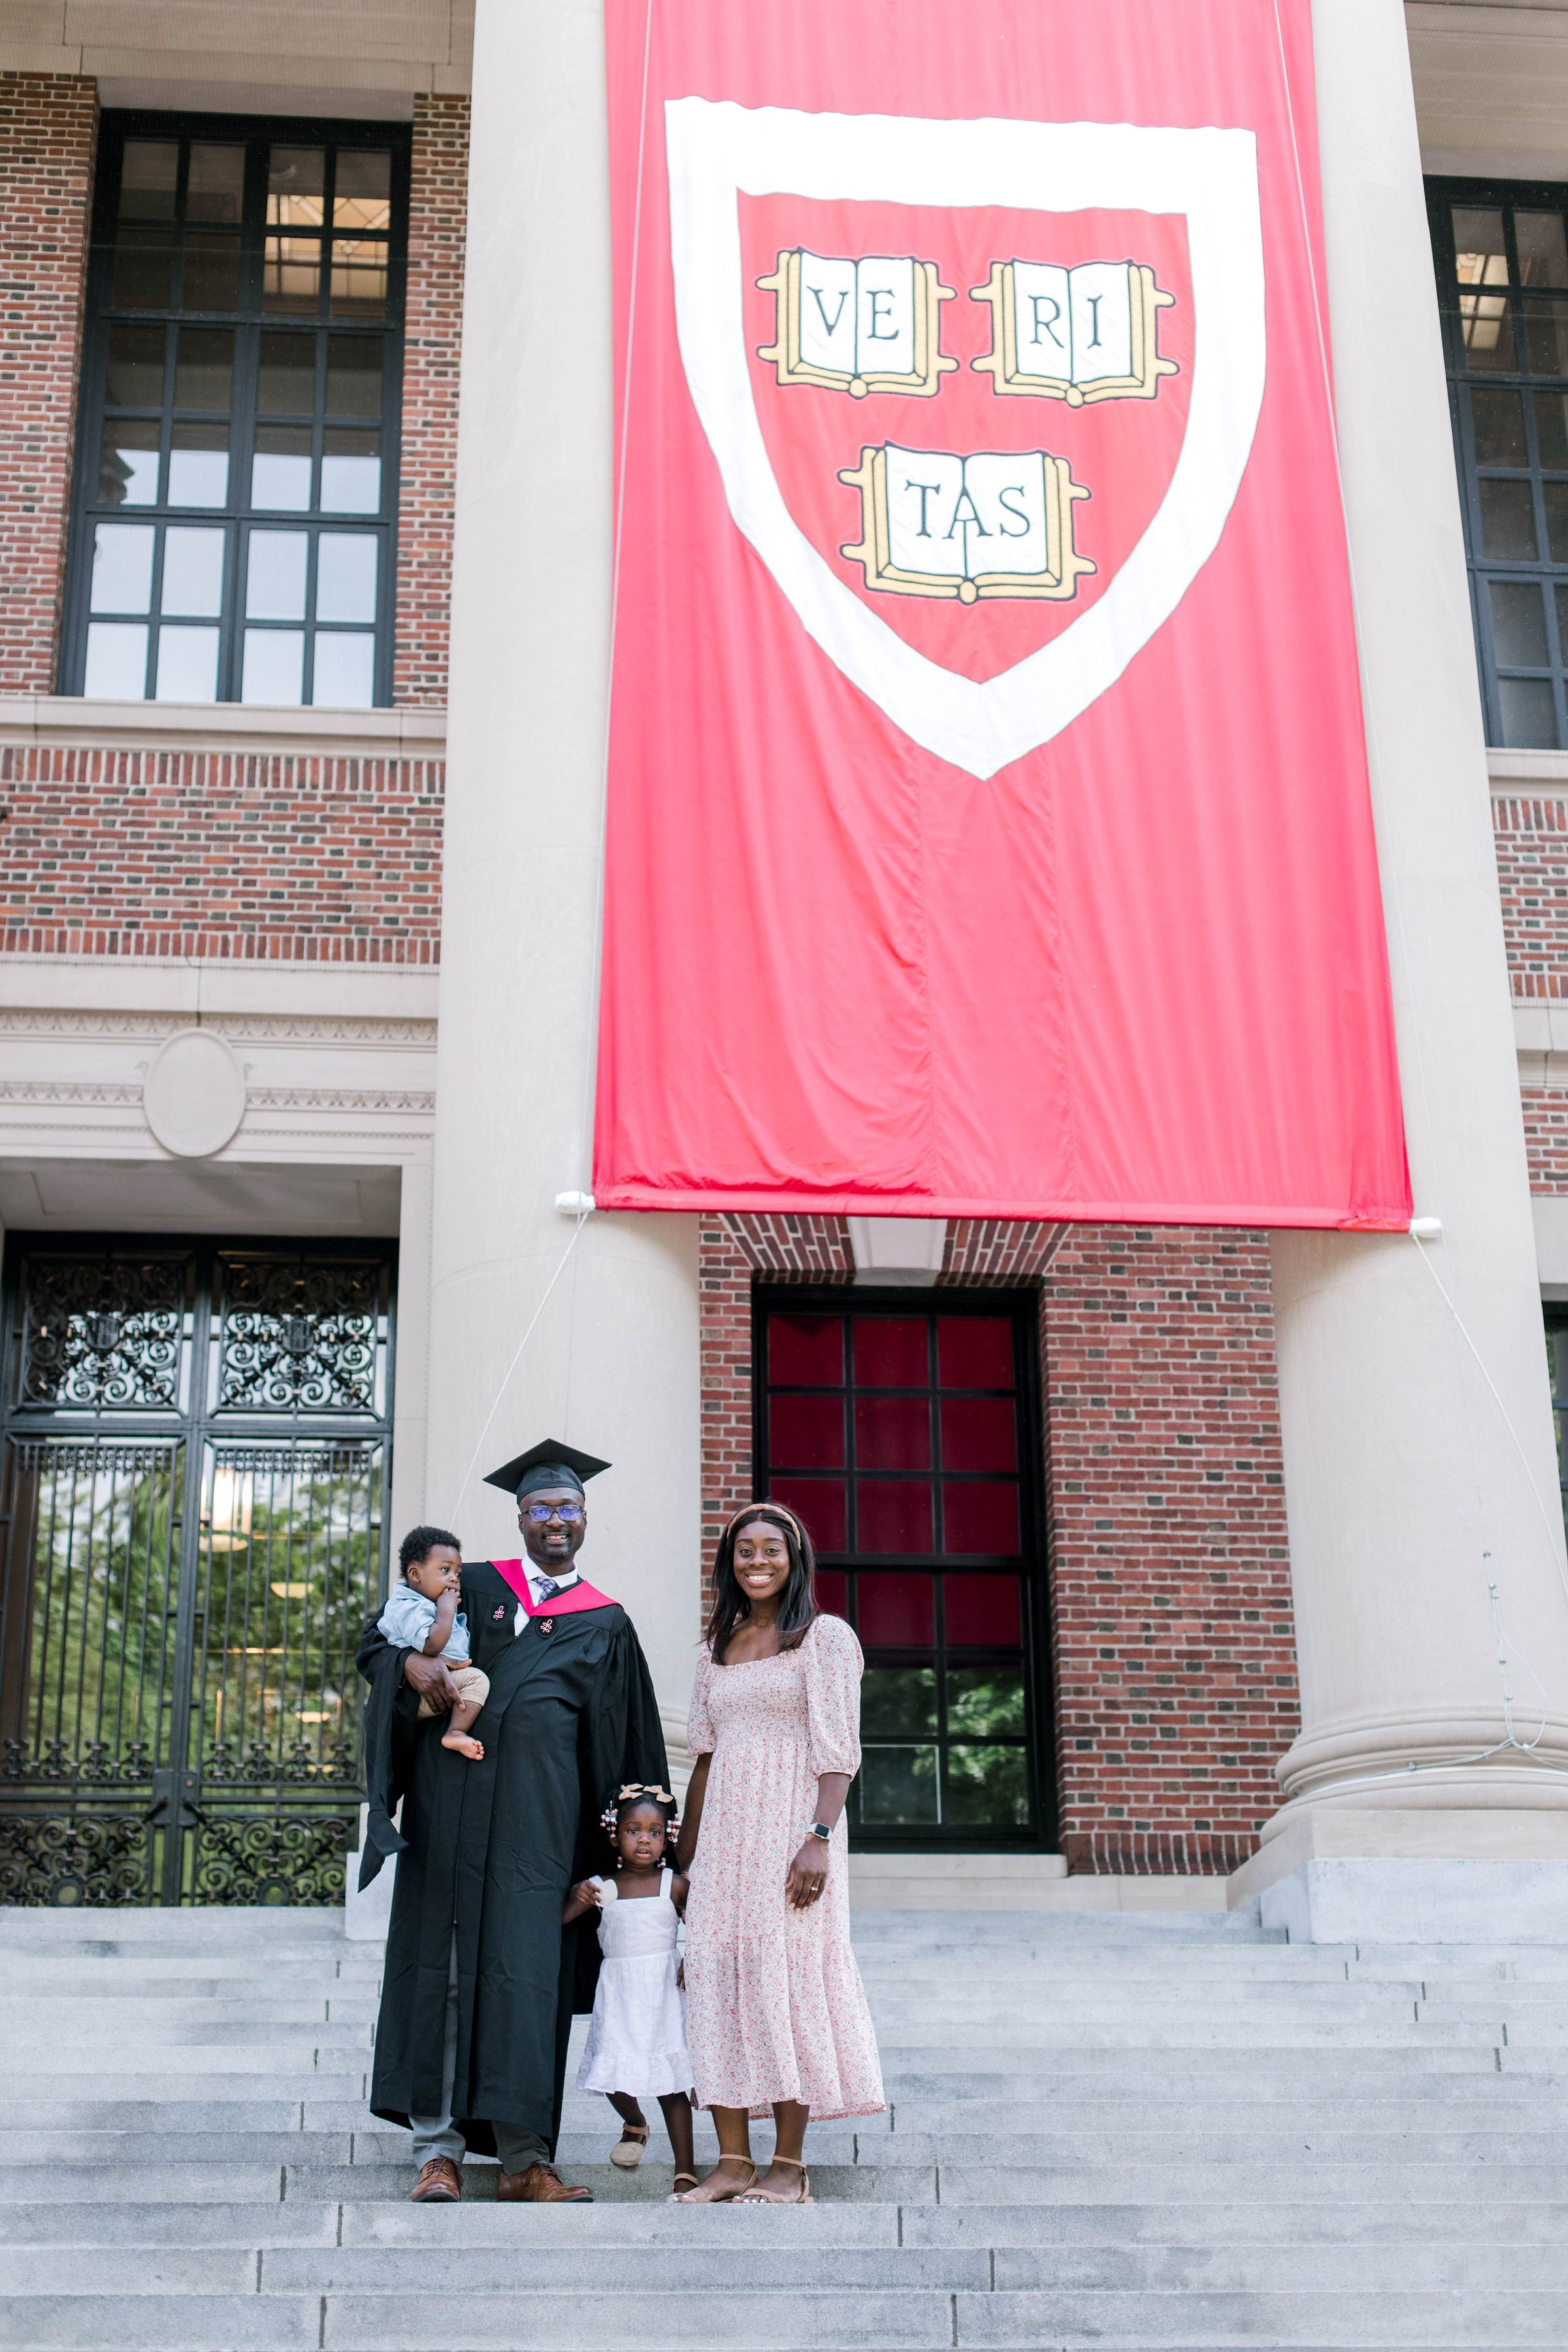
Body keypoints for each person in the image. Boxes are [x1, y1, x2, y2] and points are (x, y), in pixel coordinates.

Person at [357, 1437, 668, 2205]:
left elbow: (628, 1747)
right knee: (448, 1978)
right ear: (520, 1518)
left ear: (585, 1518)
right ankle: (440, 2153)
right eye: (539, 1509)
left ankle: (527, 2160)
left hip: (540, 1835)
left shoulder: (607, 1624)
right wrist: (409, 1665)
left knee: (527, 1984)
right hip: (450, 1822)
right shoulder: (474, 1586)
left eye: (567, 1508)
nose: (554, 1521)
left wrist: (629, 1857)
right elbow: (375, 1640)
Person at [674, 1502, 883, 2204]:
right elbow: (703, 1761)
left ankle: (788, 2168)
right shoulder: (714, 1650)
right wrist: (684, 1860)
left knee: (783, 1981)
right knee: (714, 1978)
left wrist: (818, 1839)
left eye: (772, 1549)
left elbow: (838, 1754)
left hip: (791, 1833)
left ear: (795, 1560)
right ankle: (733, 2163)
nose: (757, 1561)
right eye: (744, 1550)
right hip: (725, 1838)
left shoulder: (823, 1639)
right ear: (728, 1562)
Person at [563, 1784, 697, 2193]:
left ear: (666, 1838)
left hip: (662, 1991)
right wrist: (577, 1894)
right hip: (620, 1989)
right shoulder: (603, 1885)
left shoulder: (674, 1884)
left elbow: (705, 1927)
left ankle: (685, 2168)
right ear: (614, 1835)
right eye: (634, 1830)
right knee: (614, 2074)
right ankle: (635, 2124)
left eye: (655, 1832)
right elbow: (564, 1917)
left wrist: (695, 1958)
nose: (644, 1840)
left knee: (670, 2082)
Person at [377, 1527, 489, 1761]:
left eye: (458, 1573)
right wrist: (446, 1610)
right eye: (445, 1570)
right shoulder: (409, 1606)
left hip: (435, 1687)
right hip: (416, 1695)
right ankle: (456, 1733)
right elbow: (431, 1645)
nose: (454, 1579)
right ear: (415, 1574)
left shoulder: (427, 1604)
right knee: (477, 1680)